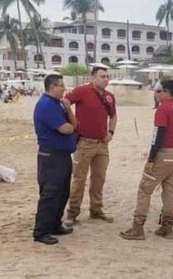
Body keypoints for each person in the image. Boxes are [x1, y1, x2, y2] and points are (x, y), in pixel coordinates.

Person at [120, 80, 173, 240]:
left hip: (165, 153)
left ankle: (138, 228)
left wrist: (151, 159)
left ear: (166, 92)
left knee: (145, 189)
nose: (155, 94)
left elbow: (158, 135)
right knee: (169, 190)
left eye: (158, 91)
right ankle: (167, 228)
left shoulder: (163, 108)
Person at [63, 66, 117, 226]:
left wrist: (111, 132)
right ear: (93, 77)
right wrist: (72, 123)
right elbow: (65, 102)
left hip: (102, 144)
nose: (106, 79)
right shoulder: (82, 91)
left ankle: (96, 210)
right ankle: (72, 213)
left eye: (107, 76)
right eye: (102, 76)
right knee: (79, 179)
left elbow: (113, 116)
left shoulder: (109, 97)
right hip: (85, 142)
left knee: (99, 178)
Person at [32, 74, 77, 245]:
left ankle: (54, 224)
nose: (64, 89)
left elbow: (74, 124)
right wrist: (72, 127)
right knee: (50, 193)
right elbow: (65, 129)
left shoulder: (58, 104)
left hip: (63, 155)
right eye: (61, 86)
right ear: (52, 87)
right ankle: (41, 231)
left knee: (62, 192)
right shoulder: (45, 105)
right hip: (51, 155)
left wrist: (69, 110)